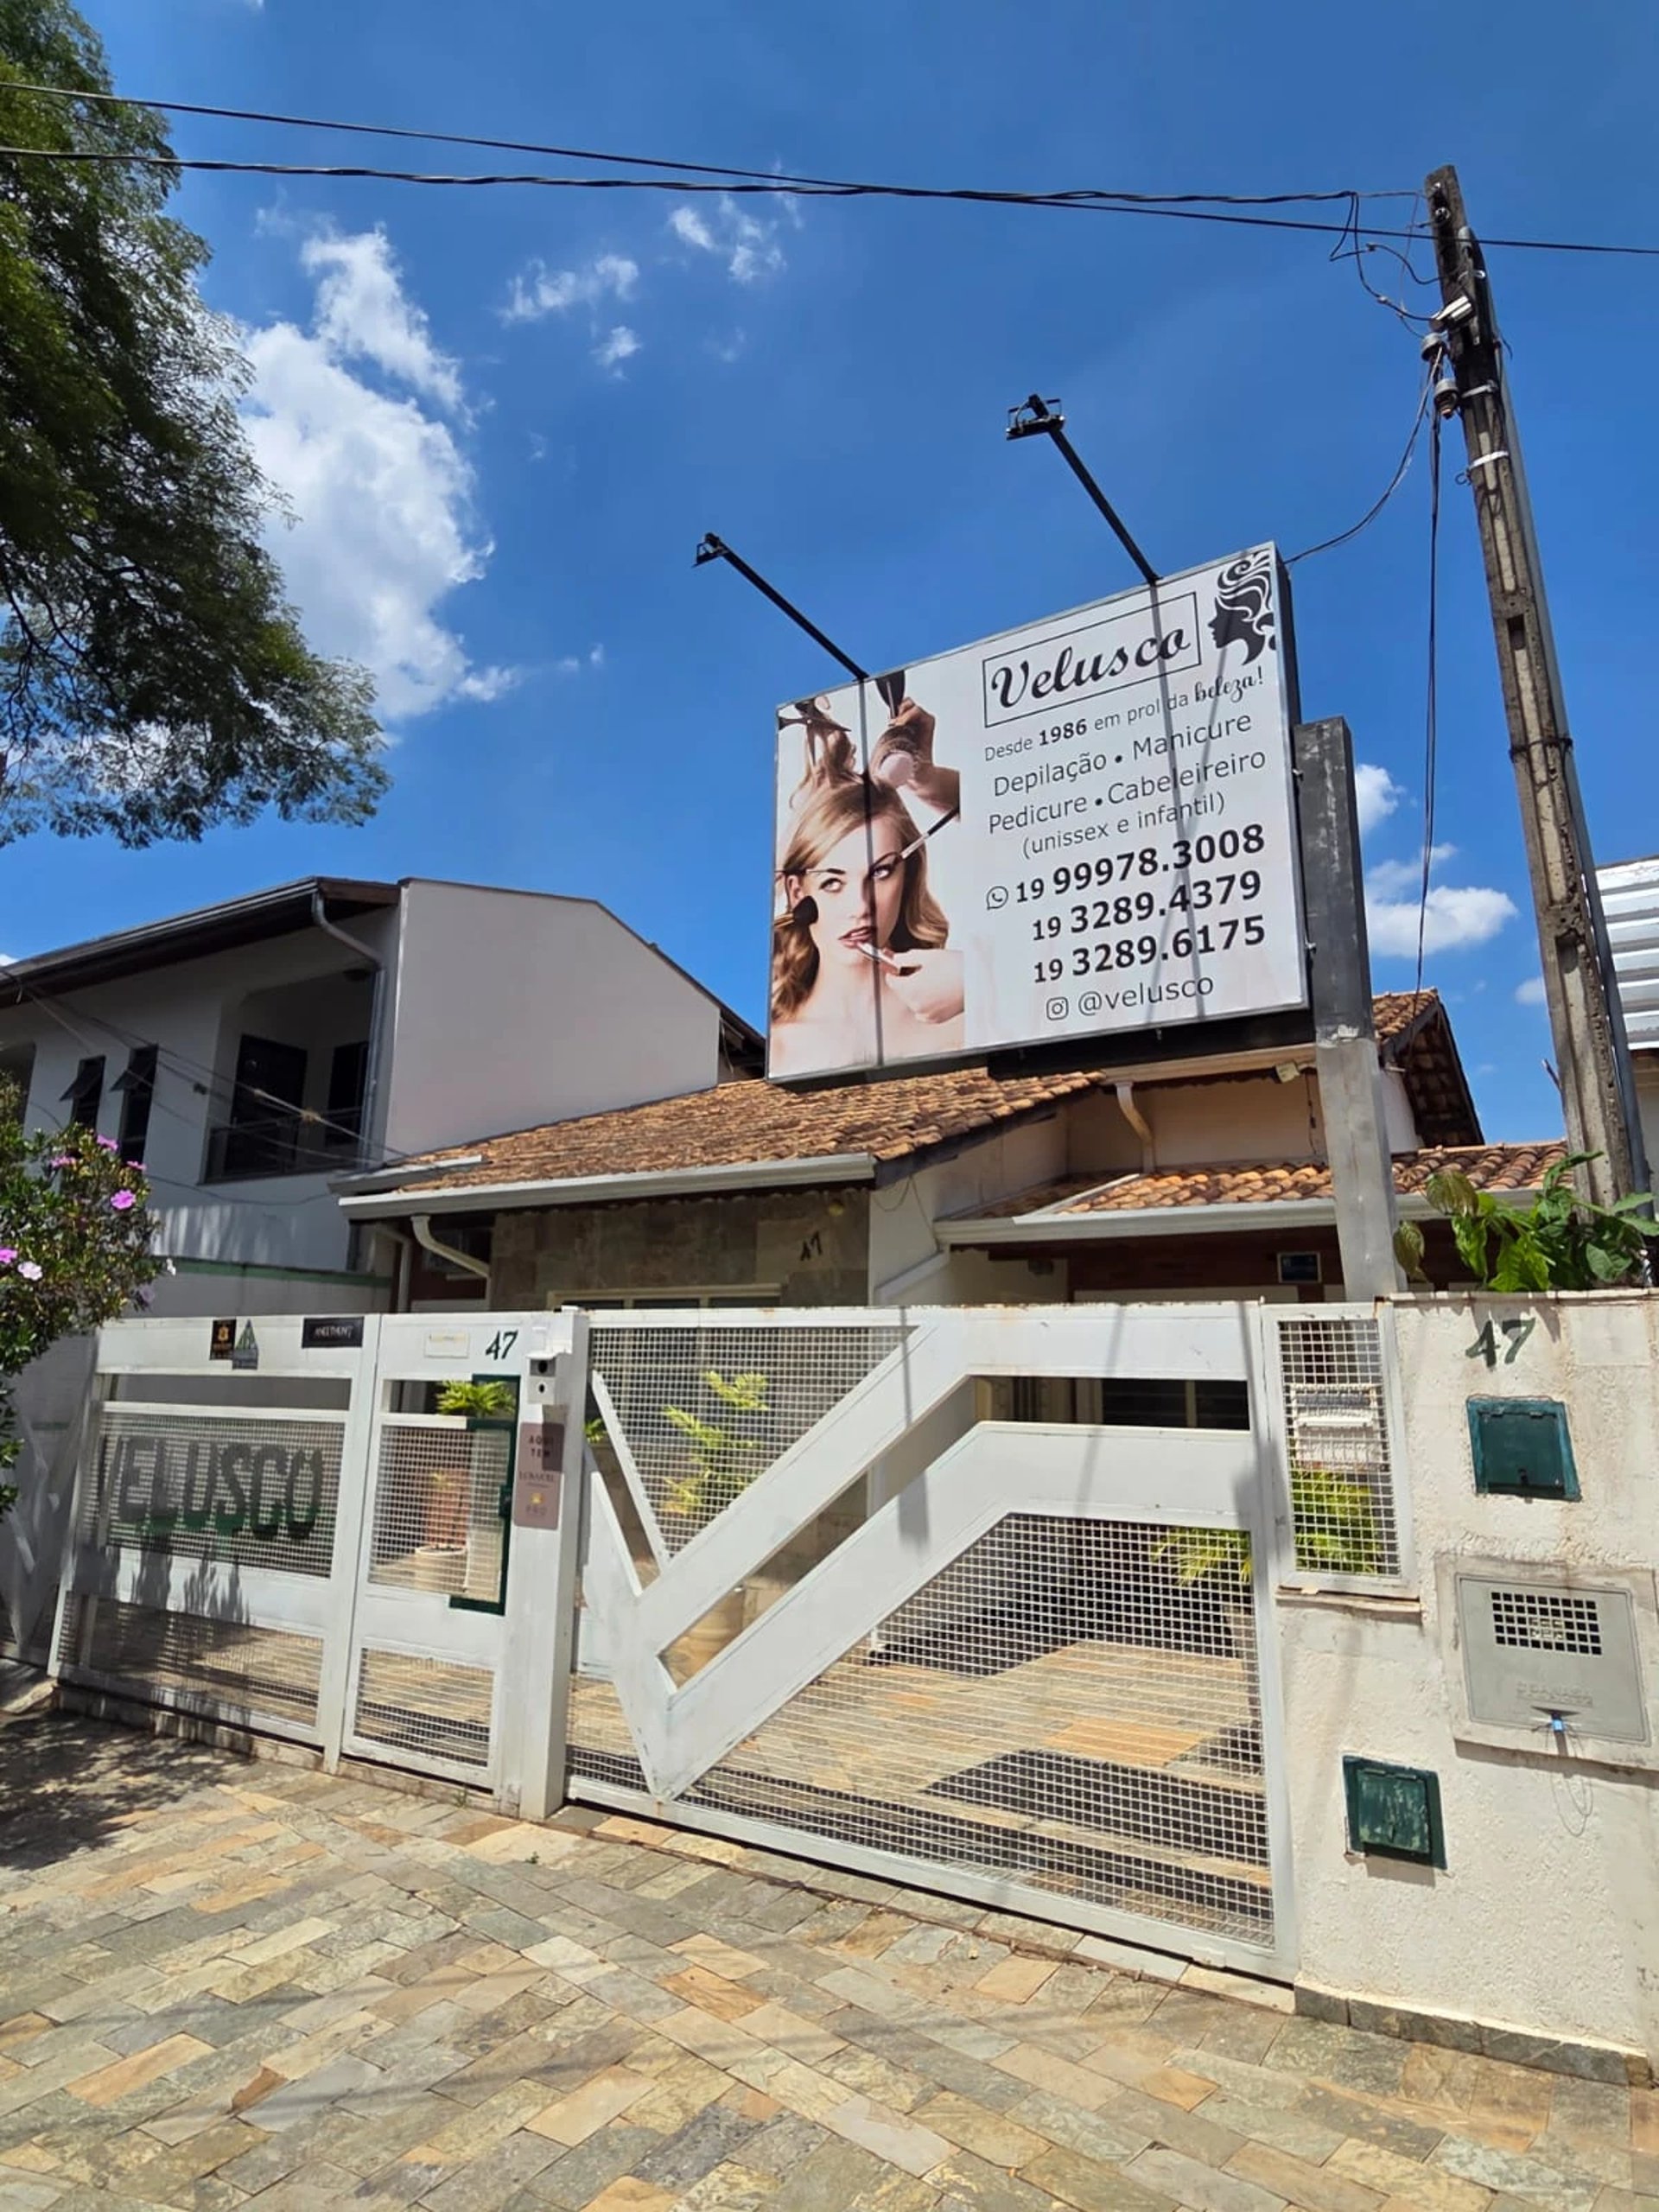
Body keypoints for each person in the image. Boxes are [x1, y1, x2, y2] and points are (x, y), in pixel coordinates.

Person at [770, 768, 964, 1077]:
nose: (860, 907)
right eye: (833, 882)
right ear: (797, 893)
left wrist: (977, 981)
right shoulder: (778, 1051)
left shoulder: (961, 1021)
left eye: (880, 873)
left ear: (908, 874)